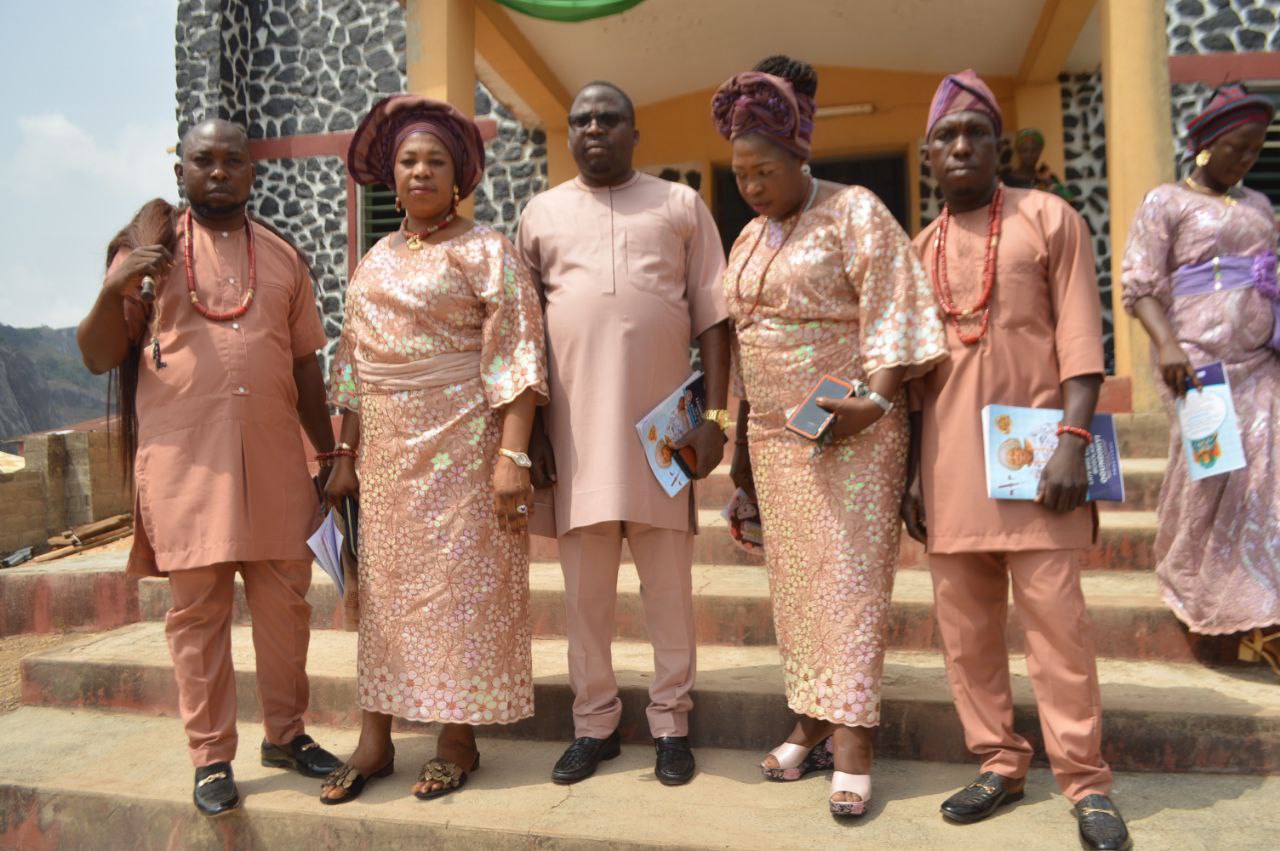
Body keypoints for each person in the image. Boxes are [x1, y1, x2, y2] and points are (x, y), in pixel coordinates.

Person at [75, 118, 342, 817]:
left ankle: (286, 735)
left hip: (279, 460)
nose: (219, 171)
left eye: (233, 160)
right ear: (181, 173)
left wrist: (331, 451)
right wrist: (115, 288)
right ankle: (211, 756)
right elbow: (98, 355)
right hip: (186, 465)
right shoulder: (149, 254)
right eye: (204, 160)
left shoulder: (284, 256)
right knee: (198, 615)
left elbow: (306, 364)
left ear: (254, 173)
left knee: (287, 607)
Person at [711, 55, 947, 818]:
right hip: (777, 442)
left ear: (798, 156)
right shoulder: (748, 236)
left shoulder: (857, 213)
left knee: (847, 582)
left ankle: (854, 740)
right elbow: (745, 346)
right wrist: (742, 447)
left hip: (854, 435)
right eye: (740, 174)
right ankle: (812, 717)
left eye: (762, 171)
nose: (750, 187)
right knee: (799, 587)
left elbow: (895, 314)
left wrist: (875, 407)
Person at [902, 71, 1131, 850]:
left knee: (1058, 627)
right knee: (965, 632)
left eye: (976, 133)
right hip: (949, 470)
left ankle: (1086, 781)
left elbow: (1081, 342)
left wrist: (1074, 442)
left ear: (999, 146)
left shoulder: (1050, 219)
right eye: (946, 137)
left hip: (1042, 468)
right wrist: (909, 476)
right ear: (928, 154)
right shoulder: (920, 248)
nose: (961, 146)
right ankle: (999, 761)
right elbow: (908, 379)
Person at [320, 95, 547, 803]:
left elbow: (518, 358)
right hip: (386, 457)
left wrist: (513, 456)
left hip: (464, 445)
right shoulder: (374, 261)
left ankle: (457, 739)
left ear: (460, 178)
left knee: (460, 594)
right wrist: (344, 454)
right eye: (408, 161)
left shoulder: (488, 250)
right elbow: (352, 364)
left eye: (435, 162)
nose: (420, 171)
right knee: (383, 598)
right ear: (393, 177)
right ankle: (375, 738)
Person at [517, 80, 730, 787]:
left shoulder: (679, 205)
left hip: (663, 439)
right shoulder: (541, 214)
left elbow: (714, 320)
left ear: (637, 133)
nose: (594, 129)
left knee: (668, 589)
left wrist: (717, 417)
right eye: (581, 121)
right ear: (569, 133)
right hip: (574, 439)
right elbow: (523, 337)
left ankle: (671, 721)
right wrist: (531, 434)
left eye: (610, 118)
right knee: (586, 596)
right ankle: (595, 723)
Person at [1119, 83, 1279, 673]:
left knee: (1265, 478)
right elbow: (1140, 284)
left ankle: (1260, 606)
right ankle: (1199, 585)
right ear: (1206, 144)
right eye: (1238, 146)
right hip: (1196, 366)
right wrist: (1166, 345)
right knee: (1213, 475)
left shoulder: (1258, 206)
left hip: (1262, 360)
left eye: (1256, 148)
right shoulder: (1166, 202)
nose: (1247, 159)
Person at [1000, 127, 1073, 202]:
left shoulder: (1049, 178)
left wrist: (1049, 183)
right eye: (1024, 150)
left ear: (1040, 151)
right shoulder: (1006, 180)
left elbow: (1070, 202)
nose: (1029, 154)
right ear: (1018, 152)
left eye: (1034, 150)